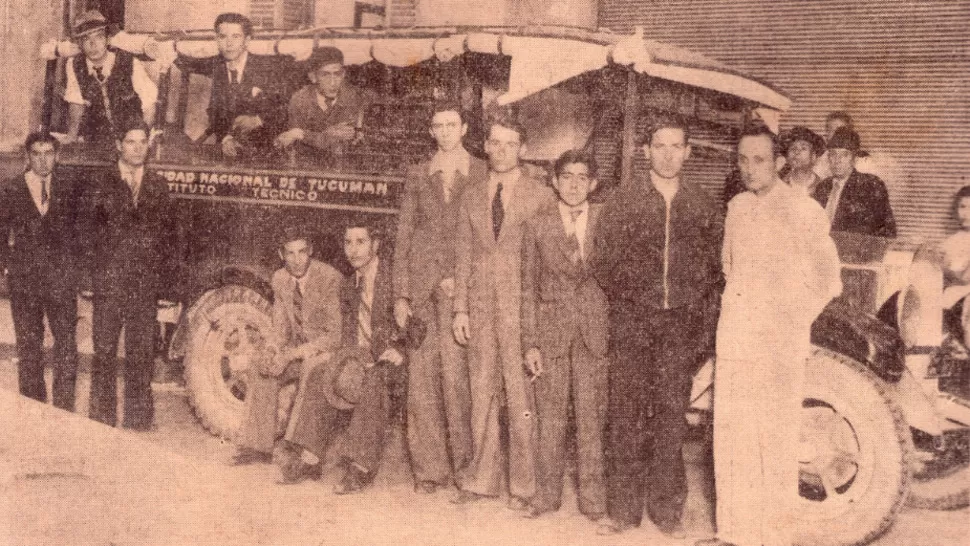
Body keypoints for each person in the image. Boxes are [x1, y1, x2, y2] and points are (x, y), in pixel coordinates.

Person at [699, 126, 841, 546]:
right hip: (736, 339)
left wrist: (790, 321)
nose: (749, 168)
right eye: (742, 159)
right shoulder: (737, 207)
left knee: (774, 440)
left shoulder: (804, 210)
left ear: (779, 162)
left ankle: (774, 537)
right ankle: (734, 533)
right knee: (733, 436)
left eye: (759, 160)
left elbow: (828, 280)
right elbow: (730, 269)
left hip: (778, 346)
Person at [592, 117, 722, 538]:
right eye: (659, 146)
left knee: (670, 417)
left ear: (688, 152)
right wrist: (633, 303)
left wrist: (694, 320)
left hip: (679, 328)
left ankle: (667, 512)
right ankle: (623, 511)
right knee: (625, 415)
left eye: (676, 146)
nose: (667, 155)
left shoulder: (702, 204)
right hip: (633, 323)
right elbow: (603, 261)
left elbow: (713, 271)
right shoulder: (624, 199)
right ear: (645, 150)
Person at [450, 115, 555, 510]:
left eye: (510, 144)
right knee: (481, 392)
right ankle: (481, 480)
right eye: (495, 143)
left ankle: (525, 487)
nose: (502, 151)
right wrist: (460, 308)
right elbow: (463, 255)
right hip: (479, 309)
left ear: (523, 149)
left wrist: (537, 322)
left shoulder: (540, 195)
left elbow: (545, 263)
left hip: (520, 310)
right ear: (486, 146)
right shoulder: (471, 195)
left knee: (521, 395)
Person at [392, 102, 483, 494]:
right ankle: (429, 471)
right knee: (422, 383)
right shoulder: (418, 174)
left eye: (452, 124)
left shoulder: (481, 171)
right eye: (438, 125)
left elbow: (485, 238)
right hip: (423, 293)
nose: (445, 131)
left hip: (460, 293)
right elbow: (403, 236)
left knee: (459, 382)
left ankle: (465, 470)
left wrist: (461, 282)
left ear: (464, 129)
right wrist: (401, 295)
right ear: (431, 131)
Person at [282, 222, 404, 494]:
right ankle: (311, 458)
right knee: (321, 372)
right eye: (348, 242)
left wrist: (400, 349)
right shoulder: (349, 284)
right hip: (361, 356)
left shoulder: (394, 278)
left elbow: (417, 321)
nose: (353, 250)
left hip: (395, 359)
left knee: (374, 380)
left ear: (375, 245)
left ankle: (360, 466)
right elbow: (348, 336)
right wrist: (340, 361)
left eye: (361, 242)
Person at [521, 149, 607, 521]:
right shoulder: (536, 225)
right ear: (554, 182)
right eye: (566, 177)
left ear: (593, 183)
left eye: (581, 178)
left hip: (593, 333)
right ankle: (546, 495)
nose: (574, 185)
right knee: (549, 419)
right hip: (551, 333)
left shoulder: (606, 219)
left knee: (592, 420)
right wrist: (530, 342)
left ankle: (593, 500)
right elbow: (527, 287)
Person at [79, 121, 176, 430]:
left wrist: (165, 287)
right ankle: (102, 418)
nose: (137, 148)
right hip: (109, 282)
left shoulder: (158, 185)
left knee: (141, 353)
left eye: (142, 142)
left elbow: (168, 239)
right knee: (105, 351)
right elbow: (86, 234)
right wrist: (88, 279)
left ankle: (138, 419)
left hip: (144, 286)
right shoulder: (100, 183)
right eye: (131, 141)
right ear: (119, 145)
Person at [230, 227, 343, 465]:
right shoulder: (280, 278)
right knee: (262, 365)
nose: (297, 259)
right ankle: (257, 446)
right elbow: (280, 328)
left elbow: (334, 337)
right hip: (297, 352)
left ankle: (298, 451)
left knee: (311, 369)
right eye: (290, 253)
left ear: (310, 251)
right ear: (281, 255)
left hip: (327, 354)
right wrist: (272, 349)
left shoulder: (329, 278)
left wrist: (291, 354)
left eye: (302, 252)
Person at [0, 133, 79, 410]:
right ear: (27, 156)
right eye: (36, 153)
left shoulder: (70, 188)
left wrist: (75, 271)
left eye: (48, 153)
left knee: (66, 345)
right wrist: (6, 268)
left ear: (57, 156)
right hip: (25, 282)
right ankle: (33, 411)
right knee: (29, 347)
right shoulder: (11, 188)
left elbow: (81, 233)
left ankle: (64, 411)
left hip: (61, 281)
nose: (43, 160)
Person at [174, 12, 294, 157]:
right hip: (230, 151)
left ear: (247, 40)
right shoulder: (216, 65)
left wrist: (259, 120)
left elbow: (285, 108)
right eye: (223, 37)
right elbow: (215, 112)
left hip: (269, 152)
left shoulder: (267, 66)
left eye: (236, 37)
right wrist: (226, 138)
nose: (229, 43)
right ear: (217, 40)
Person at [62, 10, 158, 145]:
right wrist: (71, 137)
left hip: (132, 137)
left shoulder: (129, 62)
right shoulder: (74, 64)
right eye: (86, 39)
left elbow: (149, 105)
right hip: (99, 139)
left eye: (99, 37)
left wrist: (141, 139)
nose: (93, 44)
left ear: (108, 40)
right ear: (80, 44)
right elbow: (75, 103)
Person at [274, 47, 374, 154]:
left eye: (337, 74)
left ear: (343, 74)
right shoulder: (300, 100)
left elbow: (348, 140)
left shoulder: (353, 97)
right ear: (313, 77)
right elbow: (291, 141)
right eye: (325, 75)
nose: (332, 82)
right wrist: (326, 136)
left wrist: (302, 134)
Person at [813, 126, 897, 237]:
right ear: (828, 158)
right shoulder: (823, 187)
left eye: (844, 155)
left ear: (855, 159)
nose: (837, 160)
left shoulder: (870, 185)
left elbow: (886, 230)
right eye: (833, 154)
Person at [782, 125, 825, 195]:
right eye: (793, 148)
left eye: (803, 148)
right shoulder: (780, 186)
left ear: (813, 156)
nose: (796, 152)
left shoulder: (823, 187)